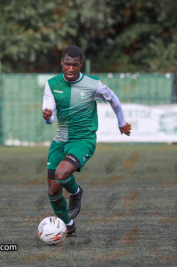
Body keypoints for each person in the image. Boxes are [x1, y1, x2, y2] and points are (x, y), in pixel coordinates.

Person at [42, 46, 131, 235]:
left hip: (83, 139)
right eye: (67, 64)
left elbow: (113, 99)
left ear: (80, 64)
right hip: (60, 140)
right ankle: (68, 224)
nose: (71, 69)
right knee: (53, 191)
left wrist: (121, 123)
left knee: (61, 173)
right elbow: (49, 119)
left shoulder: (93, 84)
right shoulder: (52, 84)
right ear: (62, 63)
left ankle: (76, 192)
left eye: (75, 65)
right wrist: (47, 116)